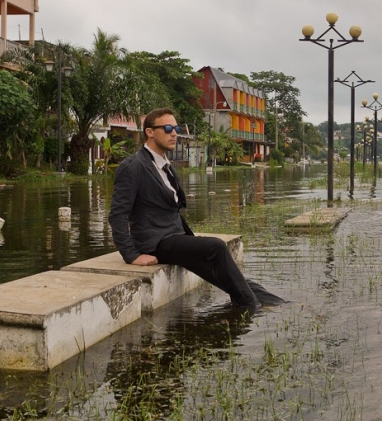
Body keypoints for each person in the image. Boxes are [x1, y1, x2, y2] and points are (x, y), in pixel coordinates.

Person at [108, 107, 285, 311]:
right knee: (216, 247)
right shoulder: (133, 166)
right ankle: (250, 308)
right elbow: (117, 215)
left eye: (176, 129)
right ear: (149, 132)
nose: (174, 133)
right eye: (168, 128)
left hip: (174, 236)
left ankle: (280, 305)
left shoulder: (164, 165)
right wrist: (131, 255)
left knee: (232, 277)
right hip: (155, 242)